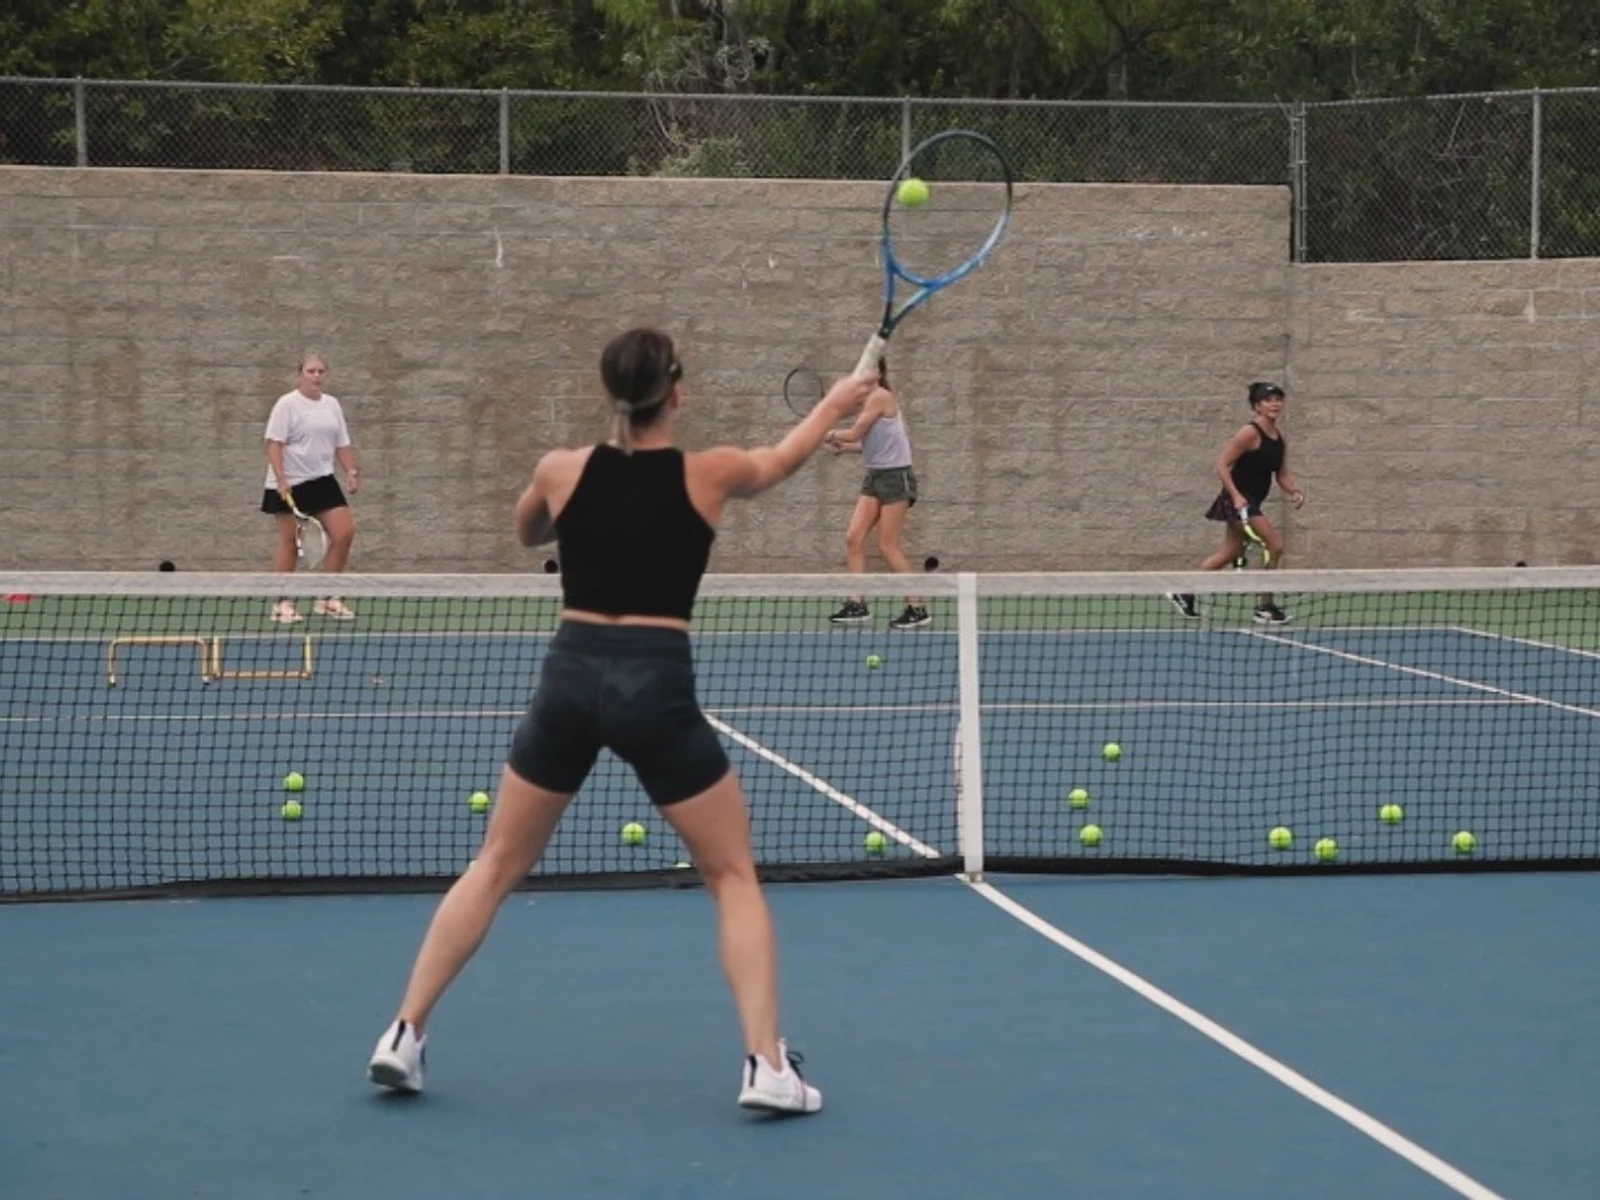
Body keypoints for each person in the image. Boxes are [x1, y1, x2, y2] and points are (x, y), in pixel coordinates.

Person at [366, 327, 874, 1113]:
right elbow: (783, 461)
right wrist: (839, 400)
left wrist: (571, 513)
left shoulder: (560, 469)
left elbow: (526, 529)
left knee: (496, 864)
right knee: (733, 876)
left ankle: (402, 1033)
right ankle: (768, 1066)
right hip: (655, 686)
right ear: (677, 393)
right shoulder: (711, 474)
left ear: (612, 394)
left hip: (570, 679)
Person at [1168, 381, 1305, 624]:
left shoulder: (1279, 437)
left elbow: (1281, 473)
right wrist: (1236, 496)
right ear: (1257, 406)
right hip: (1239, 500)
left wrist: (1294, 490)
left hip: (1251, 501)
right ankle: (1265, 606)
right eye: (1268, 400)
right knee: (1275, 544)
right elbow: (1221, 464)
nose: (1274, 404)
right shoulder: (1248, 433)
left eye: (1278, 399)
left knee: (1230, 551)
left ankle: (1185, 591)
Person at [822, 357, 930, 630]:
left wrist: (826, 432)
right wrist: (845, 448)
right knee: (854, 537)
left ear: (879, 374)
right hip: (875, 477)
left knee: (887, 545)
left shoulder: (880, 397)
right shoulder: (870, 401)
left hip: (896, 478)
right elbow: (869, 443)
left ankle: (917, 608)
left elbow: (855, 432)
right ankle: (857, 604)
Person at [261, 352, 361, 623]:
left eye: (320, 371)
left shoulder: (332, 405)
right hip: (289, 482)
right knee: (290, 543)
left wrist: (350, 471)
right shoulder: (287, 405)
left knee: (344, 533)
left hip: (322, 480)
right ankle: (283, 603)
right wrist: (281, 479)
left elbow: (342, 443)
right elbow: (274, 444)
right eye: (311, 371)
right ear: (300, 374)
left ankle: (328, 598)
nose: (316, 376)